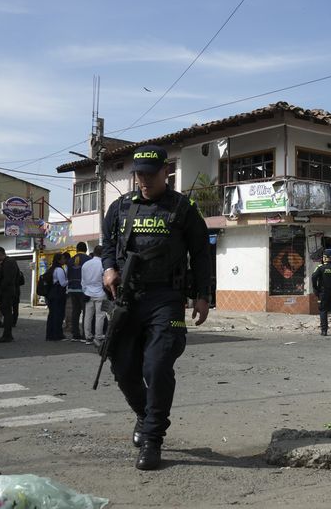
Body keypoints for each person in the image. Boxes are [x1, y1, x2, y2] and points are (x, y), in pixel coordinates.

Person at [101, 144, 212, 471]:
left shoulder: (184, 208)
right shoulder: (120, 208)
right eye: (139, 175)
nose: (144, 181)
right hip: (127, 299)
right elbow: (107, 245)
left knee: (158, 365)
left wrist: (203, 294)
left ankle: (152, 439)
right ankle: (144, 414)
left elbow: (201, 254)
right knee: (122, 368)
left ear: (167, 172)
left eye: (150, 175)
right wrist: (109, 267)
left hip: (166, 298)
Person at [0, 247, 18, 343]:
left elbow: (7, 279)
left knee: (7, 313)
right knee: (6, 313)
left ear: (0, 253)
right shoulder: (7, 262)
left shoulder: (9, 262)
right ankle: (7, 335)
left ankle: (7, 335)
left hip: (6, 292)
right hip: (6, 291)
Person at [82, 245, 106, 348]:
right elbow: (105, 279)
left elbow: (82, 280)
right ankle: (98, 336)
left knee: (88, 316)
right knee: (100, 316)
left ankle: (88, 337)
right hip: (100, 293)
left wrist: (85, 291)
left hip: (88, 293)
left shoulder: (86, 264)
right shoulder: (103, 264)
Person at [67, 242, 91, 341]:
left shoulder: (70, 260)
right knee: (86, 312)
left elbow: (68, 275)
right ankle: (85, 334)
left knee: (75, 312)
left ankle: (75, 334)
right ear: (85, 249)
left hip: (72, 288)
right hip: (83, 289)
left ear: (76, 249)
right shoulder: (89, 259)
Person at [45, 253, 68, 341]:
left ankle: (50, 334)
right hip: (58, 295)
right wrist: (70, 280)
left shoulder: (51, 269)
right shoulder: (59, 270)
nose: (64, 260)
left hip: (51, 294)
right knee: (58, 315)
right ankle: (57, 334)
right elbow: (62, 283)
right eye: (63, 259)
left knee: (52, 315)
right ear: (59, 260)